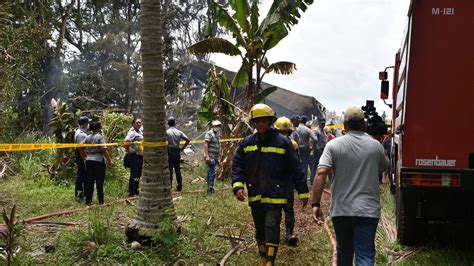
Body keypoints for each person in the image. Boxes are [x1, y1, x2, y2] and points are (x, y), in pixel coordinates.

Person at [232, 104, 309, 265]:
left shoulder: (283, 143)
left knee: (271, 225)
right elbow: (238, 165)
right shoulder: (246, 143)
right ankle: (263, 256)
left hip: (275, 194)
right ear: (253, 122)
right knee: (260, 228)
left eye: (264, 121)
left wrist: (303, 191)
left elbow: (296, 167)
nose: (260, 124)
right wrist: (238, 186)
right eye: (257, 121)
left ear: (270, 121)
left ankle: (270, 260)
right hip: (255, 194)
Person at [312, 107, 389, 266]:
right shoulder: (376, 146)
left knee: (344, 251)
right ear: (363, 124)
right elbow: (383, 167)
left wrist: (316, 204)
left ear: (345, 125)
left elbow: (321, 173)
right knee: (365, 255)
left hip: (342, 210)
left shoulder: (333, 145)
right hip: (368, 211)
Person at [274, 116, 300, 246]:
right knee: (275, 209)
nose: (284, 135)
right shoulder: (270, 144)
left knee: (288, 208)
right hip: (275, 182)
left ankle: (289, 234)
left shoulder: (293, 145)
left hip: (286, 182)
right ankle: (275, 234)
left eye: (285, 133)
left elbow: (296, 166)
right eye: (281, 133)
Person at [79, 121, 112, 205]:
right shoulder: (100, 137)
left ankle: (88, 201)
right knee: (99, 181)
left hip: (89, 160)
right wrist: (110, 160)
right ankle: (101, 201)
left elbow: (80, 147)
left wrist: (85, 157)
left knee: (90, 181)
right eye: (100, 126)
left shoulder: (88, 137)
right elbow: (104, 150)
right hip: (99, 161)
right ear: (98, 128)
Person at [166, 116, 190, 192]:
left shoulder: (167, 132)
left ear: (168, 123)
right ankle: (179, 186)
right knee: (177, 170)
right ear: (174, 123)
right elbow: (187, 140)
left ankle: (169, 186)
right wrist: (182, 148)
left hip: (169, 151)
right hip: (177, 151)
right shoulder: (179, 132)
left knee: (170, 170)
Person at [295, 114, 318, 183]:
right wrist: (312, 147)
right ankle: (303, 181)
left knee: (297, 164)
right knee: (304, 165)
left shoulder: (295, 128)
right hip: (305, 148)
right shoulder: (307, 130)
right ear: (306, 121)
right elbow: (315, 139)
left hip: (296, 148)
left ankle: (296, 180)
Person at [124, 118, 144, 196]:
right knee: (135, 174)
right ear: (133, 124)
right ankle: (132, 192)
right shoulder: (132, 133)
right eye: (137, 123)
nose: (139, 124)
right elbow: (126, 142)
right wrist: (129, 151)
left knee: (138, 174)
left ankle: (136, 190)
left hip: (139, 156)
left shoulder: (139, 131)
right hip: (135, 156)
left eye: (140, 122)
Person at [204, 120, 222, 194]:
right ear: (213, 126)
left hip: (214, 157)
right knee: (212, 172)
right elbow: (206, 145)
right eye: (217, 126)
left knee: (210, 172)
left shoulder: (216, 134)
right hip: (210, 157)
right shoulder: (209, 133)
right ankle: (210, 190)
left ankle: (210, 188)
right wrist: (207, 156)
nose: (218, 127)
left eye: (219, 126)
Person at [74, 116, 90, 199]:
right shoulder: (81, 134)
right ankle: (79, 192)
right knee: (82, 174)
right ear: (84, 124)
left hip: (81, 155)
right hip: (81, 156)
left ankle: (81, 193)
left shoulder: (81, 132)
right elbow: (80, 148)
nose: (89, 124)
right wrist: (84, 159)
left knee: (82, 174)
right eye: (88, 123)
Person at [309, 118, 327, 185]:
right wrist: (317, 148)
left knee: (320, 165)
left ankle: (318, 180)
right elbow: (313, 141)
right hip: (318, 150)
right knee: (315, 165)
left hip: (322, 150)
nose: (323, 125)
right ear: (319, 123)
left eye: (324, 123)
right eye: (322, 123)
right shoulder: (317, 131)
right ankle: (312, 180)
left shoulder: (323, 131)